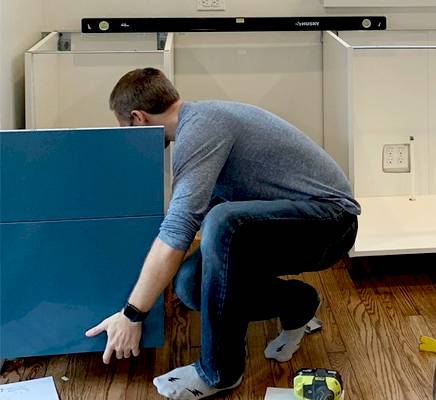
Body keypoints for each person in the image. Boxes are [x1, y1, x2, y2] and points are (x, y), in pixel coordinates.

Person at [85, 68, 359, 400]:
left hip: (330, 222)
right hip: (285, 224)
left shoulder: (201, 128)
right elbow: (186, 221)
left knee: (224, 220)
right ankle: (299, 303)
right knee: (190, 283)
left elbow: (183, 228)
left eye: (126, 128)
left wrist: (132, 314)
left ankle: (219, 372)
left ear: (138, 117)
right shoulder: (197, 126)